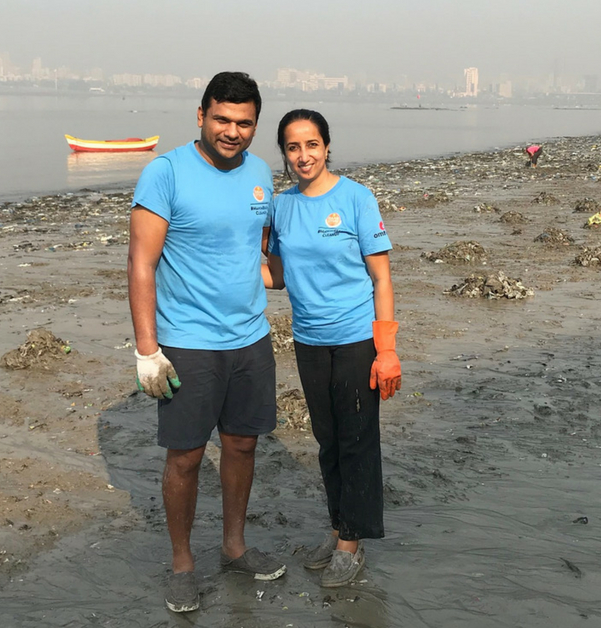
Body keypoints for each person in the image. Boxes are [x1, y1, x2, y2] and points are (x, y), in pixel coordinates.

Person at [128, 71, 286, 614]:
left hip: (251, 337)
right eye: (222, 119)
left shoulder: (262, 173)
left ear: (255, 126)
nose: (232, 131)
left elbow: (262, 253)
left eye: (244, 123)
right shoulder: (165, 172)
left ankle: (234, 547)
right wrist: (147, 349)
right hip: (188, 342)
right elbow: (141, 264)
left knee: (243, 444)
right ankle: (181, 564)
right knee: (187, 457)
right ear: (201, 116)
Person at [262, 109, 400, 588]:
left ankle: (351, 544)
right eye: (293, 147)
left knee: (357, 440)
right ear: (284, 153)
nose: (304, 156)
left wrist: (387, 350)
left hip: (358, 339)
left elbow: (381, 277)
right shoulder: (280, 207)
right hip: (309, 342)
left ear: (326, 147)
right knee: (327, 442)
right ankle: (341, 526)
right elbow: (277, 277)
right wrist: (220, 268)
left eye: (312, 145)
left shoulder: (356, 198)